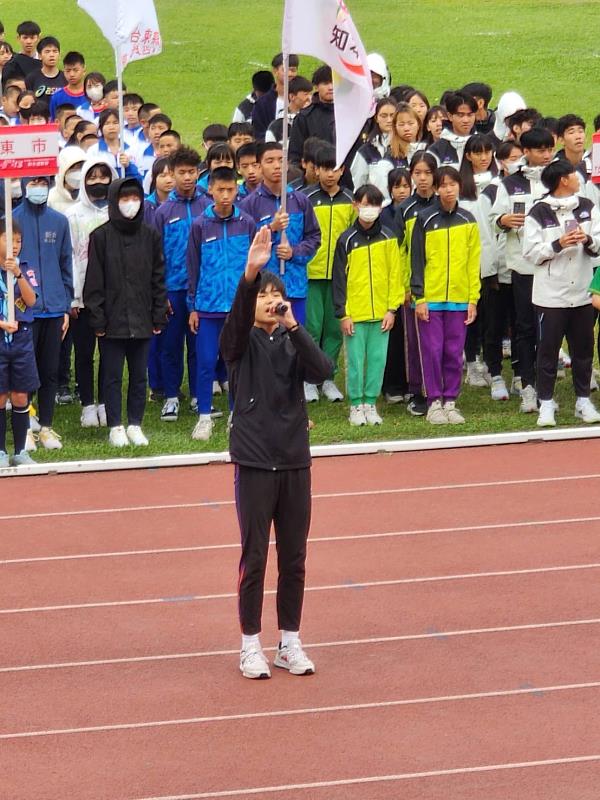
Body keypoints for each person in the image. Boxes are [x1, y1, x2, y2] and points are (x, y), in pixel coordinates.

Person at [220, 226, 333, 679]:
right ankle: (250, 645)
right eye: (263, 295)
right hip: (253, 461)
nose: (270, 300)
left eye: (275, 294)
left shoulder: (290, 339)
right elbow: (232, 327)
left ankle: (290, 641)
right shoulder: (240, 343)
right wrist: (249, 276)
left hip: (294, 460)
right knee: (256, 557)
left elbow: (322, 369)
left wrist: (293, 325)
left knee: (294, 556)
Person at [84, 178, 168, 447]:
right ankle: (115, 425)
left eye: (135, 199)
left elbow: (158, 278)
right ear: (114, 201)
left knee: (139, 376)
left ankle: (135, 423)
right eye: (124, 199)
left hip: (142, 319)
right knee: (111, 374)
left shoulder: (150, 236)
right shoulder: (100, 236)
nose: (130, 204)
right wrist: (97, 318)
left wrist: (157, 315)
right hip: (111, 320)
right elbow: (94, 281)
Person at [523, 159, 600, 427]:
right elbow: (530, 253)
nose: (579, 178)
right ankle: (546, 403)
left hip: (581, 293)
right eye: (574, 175)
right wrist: (558, 244)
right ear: (563, 180)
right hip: (550, 296)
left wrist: (588, 240)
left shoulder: (588, 207)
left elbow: (599, 243)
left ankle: (582, 400)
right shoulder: (538, 212)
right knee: (547, 352)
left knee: (583, 350)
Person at [186, 167, 256, 441]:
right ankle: (204, 416)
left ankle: (235, 415)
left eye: (230, 190)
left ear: (236, 190)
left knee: (236, 363)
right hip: (208, 307)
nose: (225, 195)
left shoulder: (247, 223)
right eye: (220, 190)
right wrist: (193, 305)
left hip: (239, 308)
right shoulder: (200, 225)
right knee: (205, 361)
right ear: (211, 190)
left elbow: (255, 265)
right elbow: (193, 265)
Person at [491, 127, 555, 413]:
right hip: (523, 267)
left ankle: (546, 389)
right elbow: (495, 219)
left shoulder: (559, 178)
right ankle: (527, 385)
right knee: (525, 327)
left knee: (551, 331)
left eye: (549, 149)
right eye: (541, 150)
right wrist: (504, 219)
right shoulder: (509, 183)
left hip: (556, 267)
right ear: (526, 152)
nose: (546, 155)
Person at [410, 166, 481, 425]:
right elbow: (416, 260)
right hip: (431, 298)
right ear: (436, 188)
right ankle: (433, 402)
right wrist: (420, 297)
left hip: (460, 299)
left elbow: (474, 262)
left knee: (453, 351)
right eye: (444, 185)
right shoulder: (425, 219)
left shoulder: (468, 220)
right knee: (432, 350)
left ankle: (451, 400)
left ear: (459, 186)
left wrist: (473, 298)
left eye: (453, 184)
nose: (448, 189)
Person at [332, 184, 402, 426]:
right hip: (355, 314)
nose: (368, 209)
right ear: (355, 206)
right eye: (364, 204)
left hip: (382, 314)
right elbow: (339, 280)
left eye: (374, 205)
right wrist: (343, 313)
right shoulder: (346, 240)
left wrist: (392, 309)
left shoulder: (389, 238)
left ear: (381, 208)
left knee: (377, 360)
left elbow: (396, 275)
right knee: (354, 361)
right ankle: (356, 405)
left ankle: (370, 403)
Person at [13, 176, 73, 450]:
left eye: (42, 181)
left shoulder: (59, 222)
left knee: (50, 371)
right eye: (33, 181)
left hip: (53, 310)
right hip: (25, 312)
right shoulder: (12, 221)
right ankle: (25, 427)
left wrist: (65, 306)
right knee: (25, 374)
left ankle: (46, 426)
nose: (38, 187)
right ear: (25, 184)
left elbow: (65, 264)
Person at [153, 146, 207, 422]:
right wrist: (159, 293)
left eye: (192, 172)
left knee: (199, 346)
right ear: (172, 174)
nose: (188, 177)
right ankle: (171, 396)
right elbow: (155, 255)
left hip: (201, 291)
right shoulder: (163, 212)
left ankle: (199, 396)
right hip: (172, 290)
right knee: (170, 345)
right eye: (182, 172)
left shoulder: (207, 205)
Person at [240, 141, 321, 325]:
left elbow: (314, 237)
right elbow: (244, 245)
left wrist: (294, 252)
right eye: (270, 161)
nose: (276, 165)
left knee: (295, 339)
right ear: (259, 166)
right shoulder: (249, 205)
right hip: (263, 289)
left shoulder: (300, 201)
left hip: (294, 286)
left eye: (280, 160)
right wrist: (271, 228)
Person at [67, 156, 118, 428]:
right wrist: (74, 296)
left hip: (111, 297)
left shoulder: (117, 212)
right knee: (85, 353)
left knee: (109, 354)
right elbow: (71, 257)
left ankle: (105, 403)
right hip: (83, 298)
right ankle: (87, 404)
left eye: (103, 176)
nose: (98, 182)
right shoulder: (73, 216)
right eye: (92, 177)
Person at [302, 144, 355, 402]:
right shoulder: (306, 199)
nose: (330, 174)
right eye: (325, 169)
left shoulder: (350, 201)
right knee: (312, 327)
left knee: (334, 330)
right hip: (311, 273)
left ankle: (329, 377)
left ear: (343, 170)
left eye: (335, 169)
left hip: (340, 276)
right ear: (316, 170)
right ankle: (309, 378)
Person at [395, 151, 439, 416]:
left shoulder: (443, 206)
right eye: (417, 173)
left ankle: (439, 388)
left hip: (442, 285)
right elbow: (399, 251)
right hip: (414, 286)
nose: (422, 179)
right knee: (415, 341)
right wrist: (406, 286)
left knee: (438, 340)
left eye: (427, 173)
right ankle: (416, 390)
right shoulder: (404, 210)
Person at [0, 218, 39, 467]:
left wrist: (17, 274)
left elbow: (32, 300)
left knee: (20, 395)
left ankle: (21, 451)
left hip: (22, 338)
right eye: (8, 239)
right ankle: (1, 451)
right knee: (1, 394)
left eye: (18, 241)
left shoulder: (25, 268)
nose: (14, 245)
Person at [289, 65, 335, 167]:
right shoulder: (304, 118)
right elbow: (295, 155)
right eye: (325, 83)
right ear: (316, 87)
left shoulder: (349, 114)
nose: (331, 87)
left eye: (334, 82)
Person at [350, 97, 398, 196]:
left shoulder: (407, 146)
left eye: (392, 115)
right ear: (376, 118)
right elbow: (359, 183)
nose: (389, 120)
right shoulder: (366, 151)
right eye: (384, 116)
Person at [251, 52, 299, 141]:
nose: (289, 74)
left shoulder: (303, 99)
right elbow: (258, 134)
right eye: (285, 70)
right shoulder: (263, 103)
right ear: (275, 71)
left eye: (293, 70)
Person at [89, 108, 141, 180]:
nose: (111, 127)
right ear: (101, 127)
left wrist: (128, 166)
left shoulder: (131, 148)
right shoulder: (94, 150)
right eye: (107, 123)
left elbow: (138, 178)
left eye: (115, 123)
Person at [428, 91, 477, 167]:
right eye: (460, 115)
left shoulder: (484, 144)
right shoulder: (436, 150)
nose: (466, 120)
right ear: (450, 116)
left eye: (470, 115)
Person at [265, 75, 313, 144]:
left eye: (310, 94)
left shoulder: (314, 116)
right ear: (292, 96)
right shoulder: (279, 124)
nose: (309, 98)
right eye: (306, 94)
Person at [25, 36, 65, 101]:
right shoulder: (31, 78)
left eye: (55, 51)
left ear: (59, 55)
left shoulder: (66, 77)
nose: (52, 55)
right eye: (47, 51)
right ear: (40, 55)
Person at [49, 51, 87, 119]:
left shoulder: (91, 95)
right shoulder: (57, 97)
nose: (71, 74)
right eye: (68, 71)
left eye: (75, 70)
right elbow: (53, 122)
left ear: (84, 71)